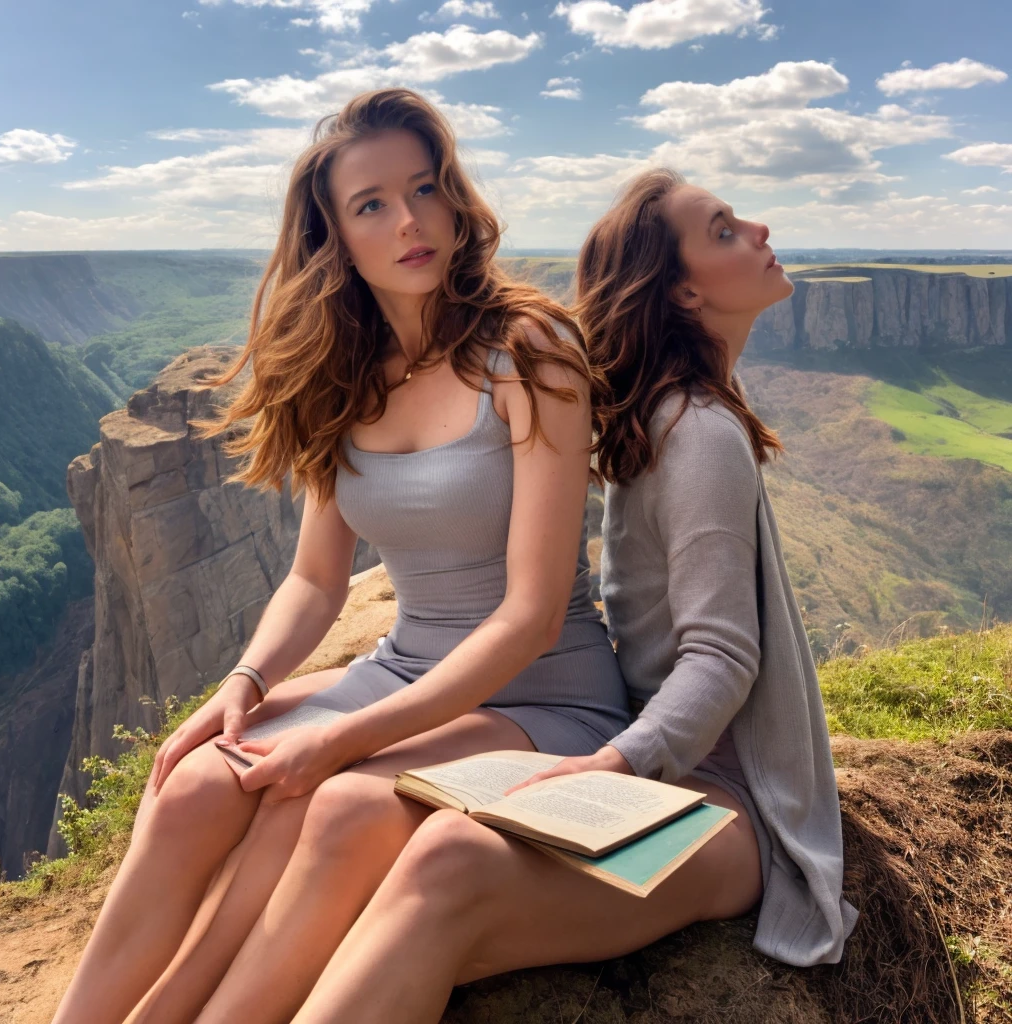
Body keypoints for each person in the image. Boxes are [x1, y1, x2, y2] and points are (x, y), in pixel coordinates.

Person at [50, 88, 629, 1024]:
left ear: (455, 201)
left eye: (427, 189)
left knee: (311, 796)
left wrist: (340, 737)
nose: (410, 221)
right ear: (335, 237)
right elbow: (317, 582)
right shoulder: (344, 375)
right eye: (372, 204)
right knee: (197, 780)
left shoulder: (531, 351)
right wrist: (245, 679)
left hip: (539, 693)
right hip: (401, 668)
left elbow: (528, 616)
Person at [287, 168, 860, 1024]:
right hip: (677, 777)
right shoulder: (693, 426)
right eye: (725, 229)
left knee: (446, 863)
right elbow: (721, 654)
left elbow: (721, 659)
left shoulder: (682, 423)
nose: (760, 228)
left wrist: (606, 766)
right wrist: (610, 765)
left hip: (733, 812)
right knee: (427, 882)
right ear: (682, 290)